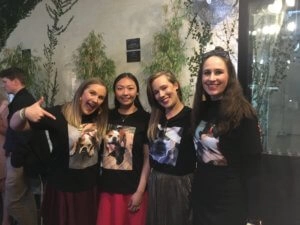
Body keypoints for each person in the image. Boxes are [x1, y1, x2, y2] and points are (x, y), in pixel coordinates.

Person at [9, 78, 109, 225]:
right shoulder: (59, 114)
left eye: (101, 97)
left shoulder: (101, 118)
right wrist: (24, 113)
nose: (96, 99)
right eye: (92, 93)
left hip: (89, 189)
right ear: (81, 94)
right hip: (62, 190)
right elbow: (15, 126)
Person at [190, 47, 263, 225]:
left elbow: (253, 169)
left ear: (229, 76)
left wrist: (254, 217)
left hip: (230, 202)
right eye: (207, 73)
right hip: (202, 198)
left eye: (218, 72)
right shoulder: (201, 110)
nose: (212, 78)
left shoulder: (244, 114)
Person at [97, 72, 150, 225]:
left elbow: (147, 158)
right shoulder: (105, 116)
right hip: (107, 190)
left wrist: (140, 191)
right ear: (114, 92)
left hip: (133, 190)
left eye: (130, 88)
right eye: (120, 88)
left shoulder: (145, 119)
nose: (125, 93)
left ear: (137, 91)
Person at [0, 67, 50, 225]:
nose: (3, 86)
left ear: (15, 81)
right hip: (21, 157)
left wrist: (16, 159)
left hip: (19, 159)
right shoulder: (23, 98)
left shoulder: (22, 100)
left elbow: (22, 132)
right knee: (24, 198)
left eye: (5, 82)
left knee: (13, 202)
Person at [146, 71, 196, 225]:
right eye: (156, 92)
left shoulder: (192, 117)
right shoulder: (154, 118)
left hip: (181, 184)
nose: (161, 94)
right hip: (155, 182)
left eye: (164, 87)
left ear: (175, 85)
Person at [0, 93, 10, 225]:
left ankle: (6, 221)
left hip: (2, 154)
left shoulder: (4, 106)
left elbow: (10, 130)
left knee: (5, 192)